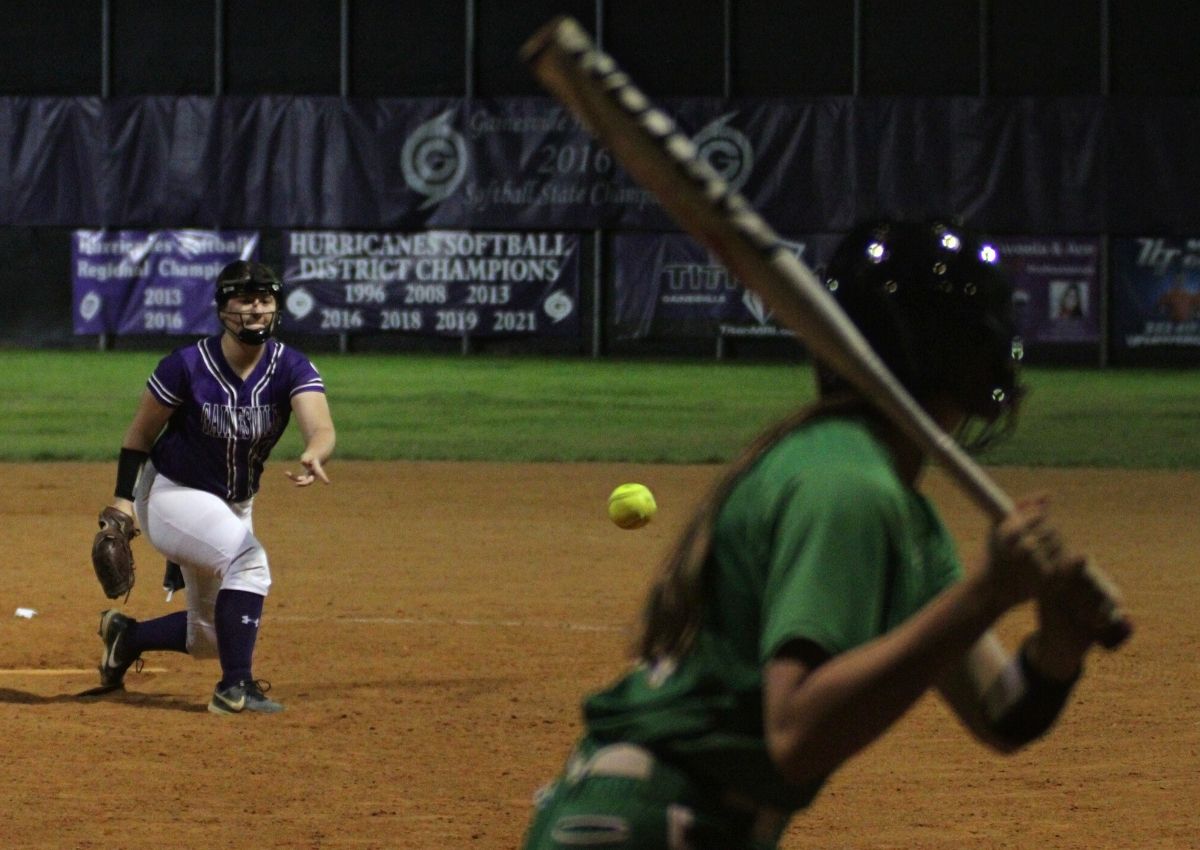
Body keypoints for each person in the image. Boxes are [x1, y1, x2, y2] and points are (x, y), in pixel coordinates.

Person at [521, 220, 1125, 849]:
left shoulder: (889, 501)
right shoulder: (847, 485)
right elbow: (796, 735)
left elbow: (1003, 713)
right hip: (648, 826)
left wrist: (1059, 643)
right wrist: (987, 594)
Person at [94, 260, 335, 715]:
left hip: (233, 503)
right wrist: (122, 504)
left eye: (265, 300)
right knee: (249, 561)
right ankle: (235, 688)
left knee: (206, 637)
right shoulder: (186, 365)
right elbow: (138, 438)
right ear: (223, 308)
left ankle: (127, 637)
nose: (256, 309)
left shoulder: (290, 366)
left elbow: (319, 424)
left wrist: (316, 450)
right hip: (170, 493)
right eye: (244, 299)